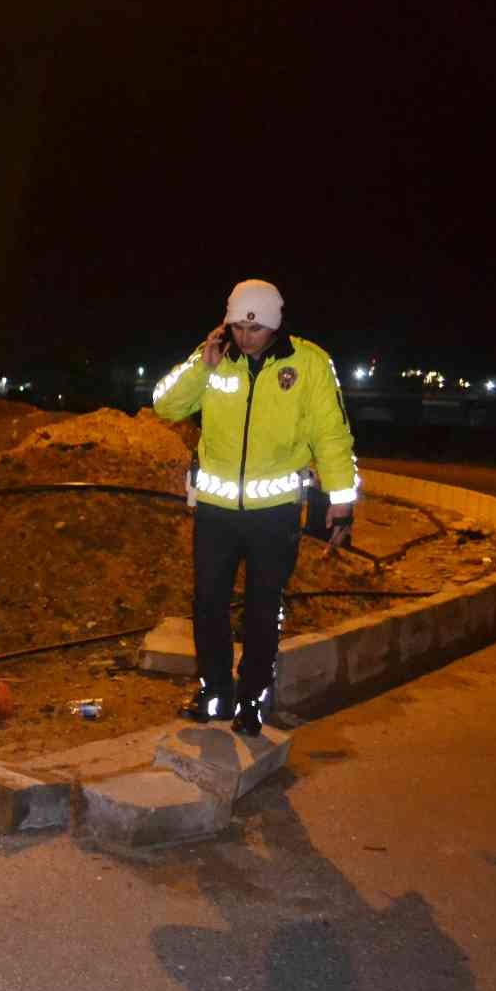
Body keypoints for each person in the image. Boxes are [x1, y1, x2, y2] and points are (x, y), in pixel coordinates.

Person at [152, 279, 357, 734]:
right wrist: (201, 368)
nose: (245, 338)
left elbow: (332, 436)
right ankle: (215, 694)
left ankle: (252, 699)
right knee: (208, 603)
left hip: (275, 515)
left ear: (276, 325)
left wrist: (341, 502)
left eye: (256, 329)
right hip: (216, 513)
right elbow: (164, 405)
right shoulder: (213, 357)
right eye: (238, 328)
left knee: (263, 608)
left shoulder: (309, 364)